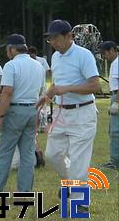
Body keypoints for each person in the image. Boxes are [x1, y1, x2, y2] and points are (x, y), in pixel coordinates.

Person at [36, 20, 101, 208]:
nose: (53, 42)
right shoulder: (55, 57)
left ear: (68, 36)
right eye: (50, 39)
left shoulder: (84, 55)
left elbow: (95, 85)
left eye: (56, 38)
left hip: (83, 113)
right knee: (53, 154)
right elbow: (57, 85)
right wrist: (46, 95)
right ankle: (70, 184)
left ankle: (79, 204)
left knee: (78, 160)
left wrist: (68, 89)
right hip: (61, 113)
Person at [0, 34, 45, 193]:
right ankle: (25, 191)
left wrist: (0, 117)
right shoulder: (38, 65)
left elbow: (7, 92)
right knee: (27, 154)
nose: (7, 52)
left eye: (7, 49)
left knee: (5, 153)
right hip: (32, 110)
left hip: (15, 111)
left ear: (12, 49)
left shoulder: (11, 65)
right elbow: (40, 90)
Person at [99, 41, 118, 169]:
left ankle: (115, 161)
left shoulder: (116, 64)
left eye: (105, 53)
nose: (104, 57)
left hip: (117, 97)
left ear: (112, 50)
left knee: (116, 131)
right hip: (115, 96)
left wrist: (116, 102)